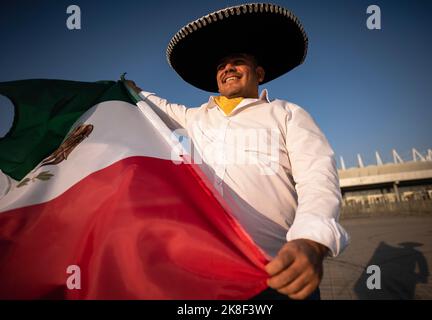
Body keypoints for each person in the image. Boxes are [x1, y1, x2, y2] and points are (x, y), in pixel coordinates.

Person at [127, 3, 349, 300]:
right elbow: (152, 104)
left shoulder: (287, 113)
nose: (228, 68)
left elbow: (317, 176)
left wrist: (311, 239)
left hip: (278, 270)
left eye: (238, 61)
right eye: (221, 65)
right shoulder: (194, 118)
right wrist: (128, 90)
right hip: (211, 275)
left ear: (259, 73)